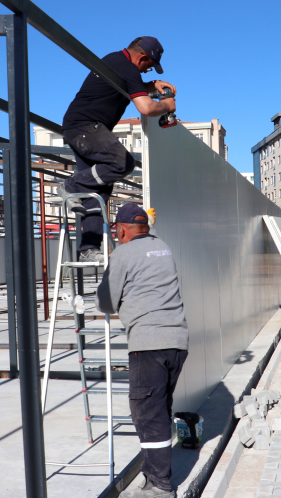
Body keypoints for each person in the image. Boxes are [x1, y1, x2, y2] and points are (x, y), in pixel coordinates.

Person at [96, 203, 188, 498]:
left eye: (117, 232)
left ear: (121, 230)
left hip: (148, 344)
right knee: (159, 409)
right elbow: (146, 244)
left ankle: (161, 487)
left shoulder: (122, 253)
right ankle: (153, 479)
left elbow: (107, 303)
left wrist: (108, 272)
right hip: (176, 342)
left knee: (148, 415)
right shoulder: (163, 247)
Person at [58, 37, 177, 264]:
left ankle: (88, 248)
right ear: (142, 57)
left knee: (97, 189)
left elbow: (129, 87)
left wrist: (152, 85)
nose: (147, 70)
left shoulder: (117, 62)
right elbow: (145, 107)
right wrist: (167, 106)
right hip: (85, 127)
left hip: (80, 127)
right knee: (122, 163)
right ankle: (69, 185)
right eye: (148, 66)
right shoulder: (126, 67)